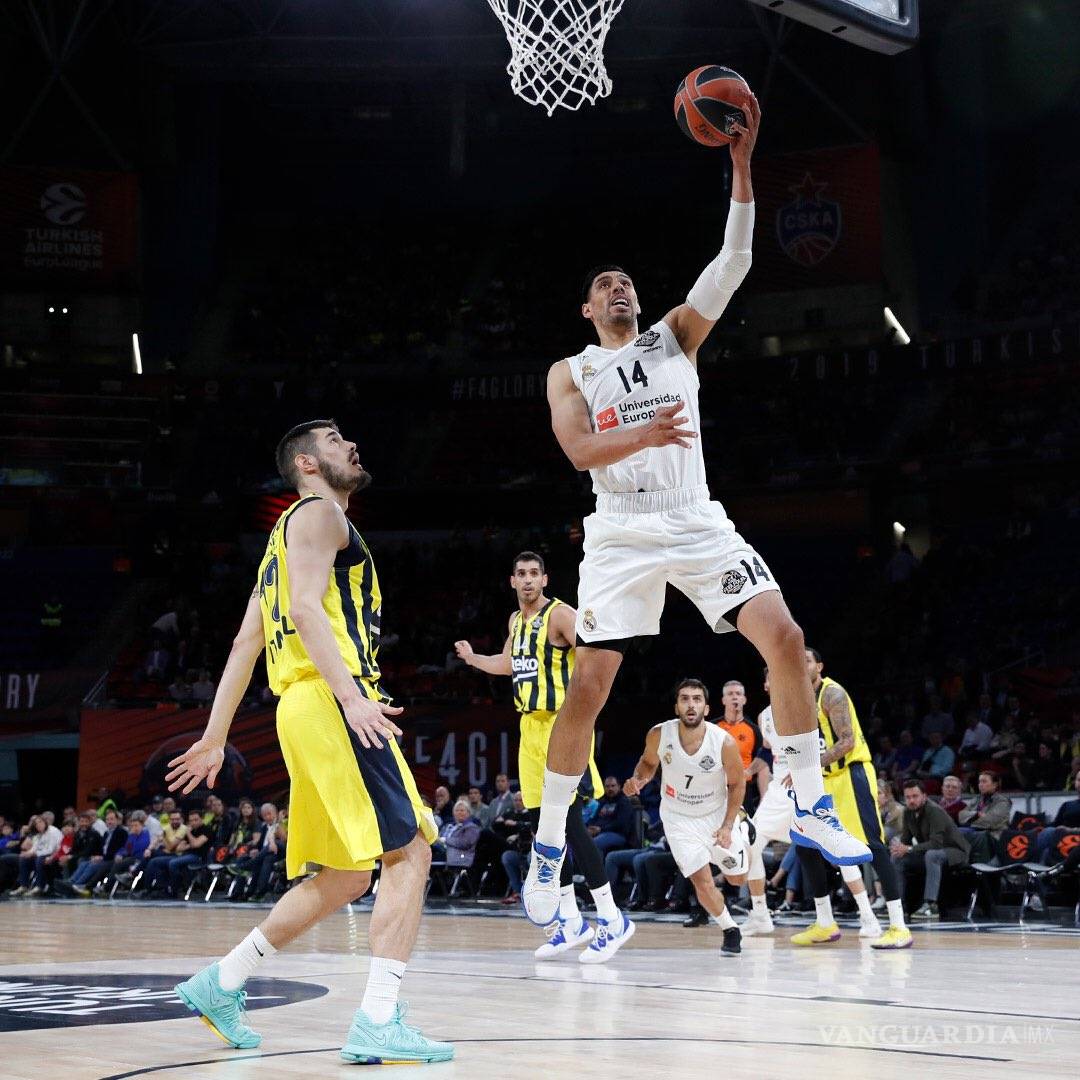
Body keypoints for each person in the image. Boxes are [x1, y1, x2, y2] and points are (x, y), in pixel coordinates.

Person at [525, 96, 870, 925]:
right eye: (605, 285)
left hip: (695, 514)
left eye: (627, 282)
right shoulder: (569, 371)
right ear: (586, 309)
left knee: (785, 637)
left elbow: (735, 260)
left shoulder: (674, 336)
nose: (620, 288)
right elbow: (579, 453)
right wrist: (645, 424)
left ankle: (809, 797)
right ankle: (546, 843)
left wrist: (742, 163)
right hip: (619, 528)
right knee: (591, 688)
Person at [166, 419, 451, 1065]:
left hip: (300, 709)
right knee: (411, 852)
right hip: (330, 702)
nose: (352, 443)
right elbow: (302, 610)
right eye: (334, 439)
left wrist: (215, 736)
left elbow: (246, 642)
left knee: (348, 875)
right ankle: (379, 1019)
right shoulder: (320, 513)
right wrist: (352, 697)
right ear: (306, 463)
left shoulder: (279, 539)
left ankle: (223, 983)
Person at [454, 551, 626, 963]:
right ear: (512, 581)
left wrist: (585, 709)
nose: (528, 580)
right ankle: (570, 921)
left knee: (568, 823)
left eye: (534, 574)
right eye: (521, 574)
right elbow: (511, 664)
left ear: (545, 579)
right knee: (541, 826)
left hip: (561, 727)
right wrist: (475, 659)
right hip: (529, 729)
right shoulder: (516, 622)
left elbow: (597, 654)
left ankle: (612, 917)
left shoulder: (561, 616)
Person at [791, 651, 912, 950]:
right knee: (805, 843)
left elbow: (847, 741)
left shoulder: (832, 693)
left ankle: (898, 926)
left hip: (851, 774)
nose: (802, 665)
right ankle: (824, 922)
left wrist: (810, 764)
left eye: (807, 660)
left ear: (819, 666)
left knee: (873, 844)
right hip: (825, 779)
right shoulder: (798, 697)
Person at [623, 679, 751, 956]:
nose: (690, 704)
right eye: (684, 699)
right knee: (701, 881)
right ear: (677, 706)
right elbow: (647, 764)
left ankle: (743, 825)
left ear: (706, 708)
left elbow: (737, 783)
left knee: (738, 880)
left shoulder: (724, 742)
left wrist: (728, 825)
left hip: (716, 815)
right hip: (678, 817)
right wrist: (638, 780)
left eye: (696, 699)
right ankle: (730, 929)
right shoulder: (659, 734)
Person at [743, 668, 872, 938]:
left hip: (807, 783)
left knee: (837, 848)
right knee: (749, 843)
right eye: (770, 679)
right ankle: (760, 915)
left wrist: (804, 768)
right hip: (780, 790)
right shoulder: (764, 716)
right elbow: (770, 751)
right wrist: (748, 770)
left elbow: (821, 746)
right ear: (766, 685)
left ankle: (868, 916)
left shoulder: (804, 709)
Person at [893, 779, 971, 919]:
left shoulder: (934, 811)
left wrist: (909, 849)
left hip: (955, 851)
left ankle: (931, 905)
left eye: (915, 796)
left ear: (924, 796)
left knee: (932, 855)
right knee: (897, 857)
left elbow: (936, 844)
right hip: (931, 852)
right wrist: (899, 849)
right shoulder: (907, 812)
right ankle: (898, 905)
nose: (911, 800)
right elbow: (905, 840)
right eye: (908, 797)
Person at [957, 771, 1012, 862]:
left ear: (994, 784)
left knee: (965, 833)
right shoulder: (976, 800)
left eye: (984, 781)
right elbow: (961, 816)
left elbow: (989, 822)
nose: (980, 784)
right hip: (977, 832)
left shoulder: (1003, 801)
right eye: (979, 782)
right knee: (956, 831)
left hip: (995, 836)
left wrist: (970, 820)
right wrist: (976, 814)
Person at [714, 681, 762, 770]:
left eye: (738, 694)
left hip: (745, 782)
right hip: (717, 781)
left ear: (744, 700)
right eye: (730, 694)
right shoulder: (712, 727)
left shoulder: (754, 730)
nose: (734, 697)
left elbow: (760, 761)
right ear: (723, 700)